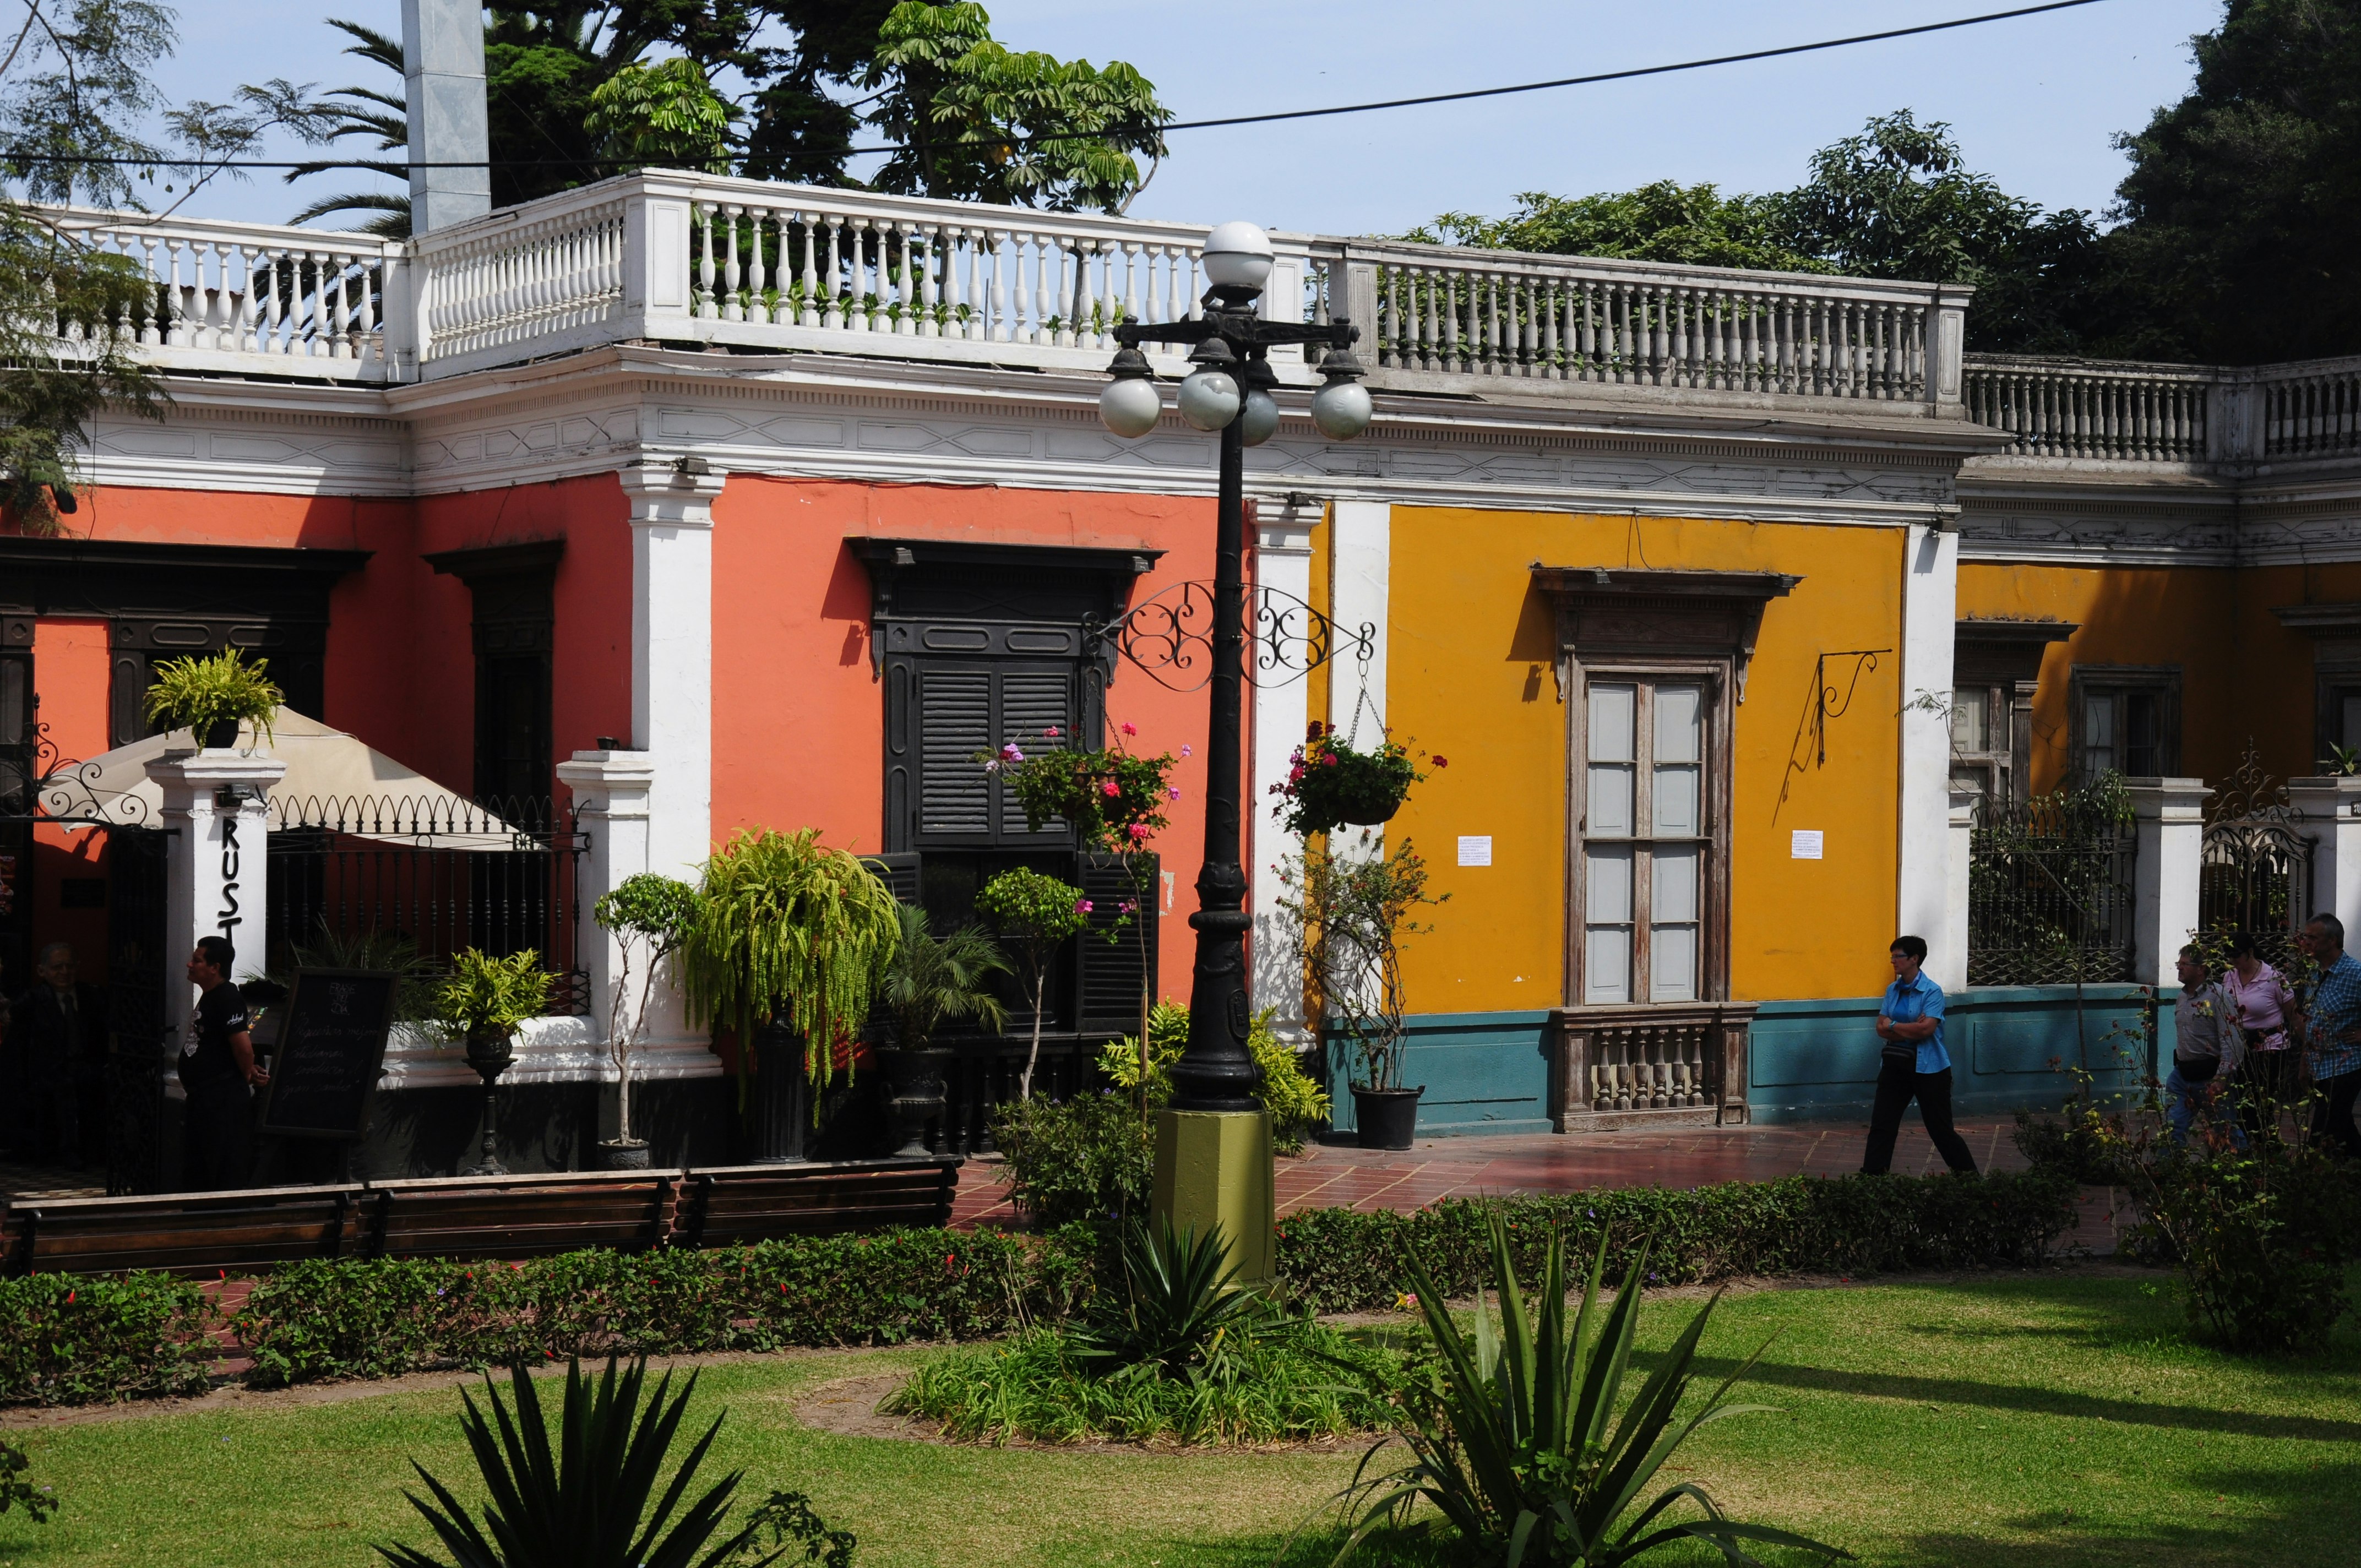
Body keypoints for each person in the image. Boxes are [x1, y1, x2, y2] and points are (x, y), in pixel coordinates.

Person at [1862, 935, 1980, 1176]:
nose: (1893, 961)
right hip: (1895, 1065)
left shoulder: (1932, 992)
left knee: (1940, 1129)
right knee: (1882, 1124)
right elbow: (1879, 1028)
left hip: (1930, 1069)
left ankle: (1969, 1179)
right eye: (1892, 956)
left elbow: (1926, 1030)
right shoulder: (1892, 990)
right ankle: (1872, 1179)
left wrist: (1893, 1025)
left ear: (1914, 959)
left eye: (1898, 956)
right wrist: (1906, 1028)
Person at [178, 936, 266, 1191]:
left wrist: (248, 1072)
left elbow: (243, 1047)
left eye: (197, 960)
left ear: (215, 968)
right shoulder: (211, 996)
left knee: (222, 1162)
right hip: (203, 1097)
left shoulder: (227, 998)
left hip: (221, 1099)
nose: (189, 964)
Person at [13, 943, 106, 1168]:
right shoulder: (32, 1000)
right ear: (42, 971)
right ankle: (64, 1152)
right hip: (49, 1072)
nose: (65, 972)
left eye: (70, 966)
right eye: (57, 967)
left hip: (86, 1067)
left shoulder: (93, 996)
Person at [2293, 913, 2361, 1159]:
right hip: (2320, 1066)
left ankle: (2315, 1177)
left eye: (2312, 937)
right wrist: (2304, 1062)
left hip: (2346, 1065)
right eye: (2305, 937)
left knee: (2324, 1130)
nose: (2306, 943)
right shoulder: (2314, 973)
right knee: (2341, 1127)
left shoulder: (2355, 973)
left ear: (2332, 941)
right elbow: (2312, 1021)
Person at [2222, 929, 2301, 1136]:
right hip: (2241, 1046)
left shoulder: (2274, 978)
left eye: (2236, 955)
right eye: (2229, 956)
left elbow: (2294, 1015)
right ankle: (2257, 1146)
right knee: (2240, 1099)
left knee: (2257, 1101)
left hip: (2270, 1047)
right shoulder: (2229, 977)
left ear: (2250, 952)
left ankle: (2265, 1147)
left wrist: (2308, 1046)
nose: (2232, 960)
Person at [2167, 944, 2243, 1145]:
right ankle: (2169, 1170)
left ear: (2201, 968)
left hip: (2210, 1077)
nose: (2179, 968)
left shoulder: (2219, 997)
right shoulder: (2182, 997)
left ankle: (2244, 1170)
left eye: (2185, 964)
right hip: (2183, 1076)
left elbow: (2231, 1039)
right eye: (2178, 963)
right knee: (2173, 1129)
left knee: (2226, 1132)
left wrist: (2222, 1077)